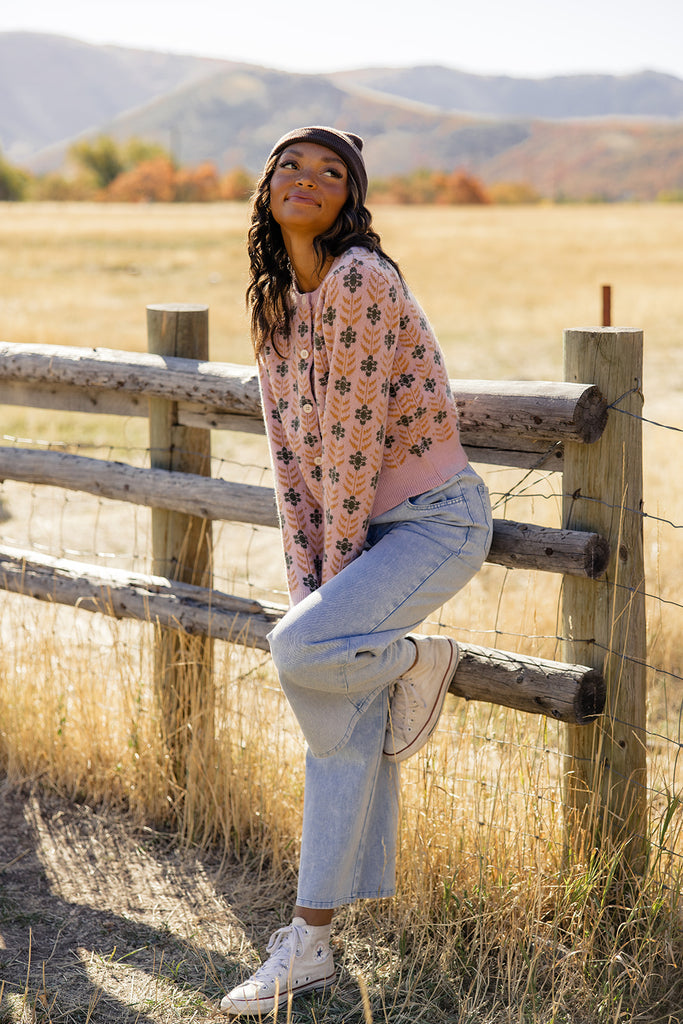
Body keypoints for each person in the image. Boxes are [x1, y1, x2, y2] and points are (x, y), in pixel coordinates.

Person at [220, 126, 492, 1016]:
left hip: (432, 524)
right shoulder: (274, 303)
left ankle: (419, 661)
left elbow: (350, 447)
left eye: (330, 173)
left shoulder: (359, 283)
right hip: (361, 540)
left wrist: (321, 611)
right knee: (333, 720)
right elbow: (291, 459)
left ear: (349, 200)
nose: (308, 180)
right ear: (268, 189)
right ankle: (313, 942)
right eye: (291, 166)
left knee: (301, 655)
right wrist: (317, 583)